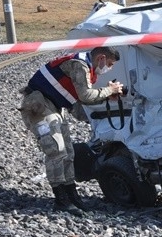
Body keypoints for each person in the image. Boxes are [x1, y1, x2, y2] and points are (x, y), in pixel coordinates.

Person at [19, 47, 124, 213]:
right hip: (38, 105)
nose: (108, 69)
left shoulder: (85, 68)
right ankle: (60, 199)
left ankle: (71, 195)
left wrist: (106, 97)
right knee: (56, 149)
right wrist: (109, 90)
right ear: (101, 58)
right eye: (109, 64)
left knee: (68, 152)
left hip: (52, 106)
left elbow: (79, 109)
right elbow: (85, 96)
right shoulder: (80, 65)